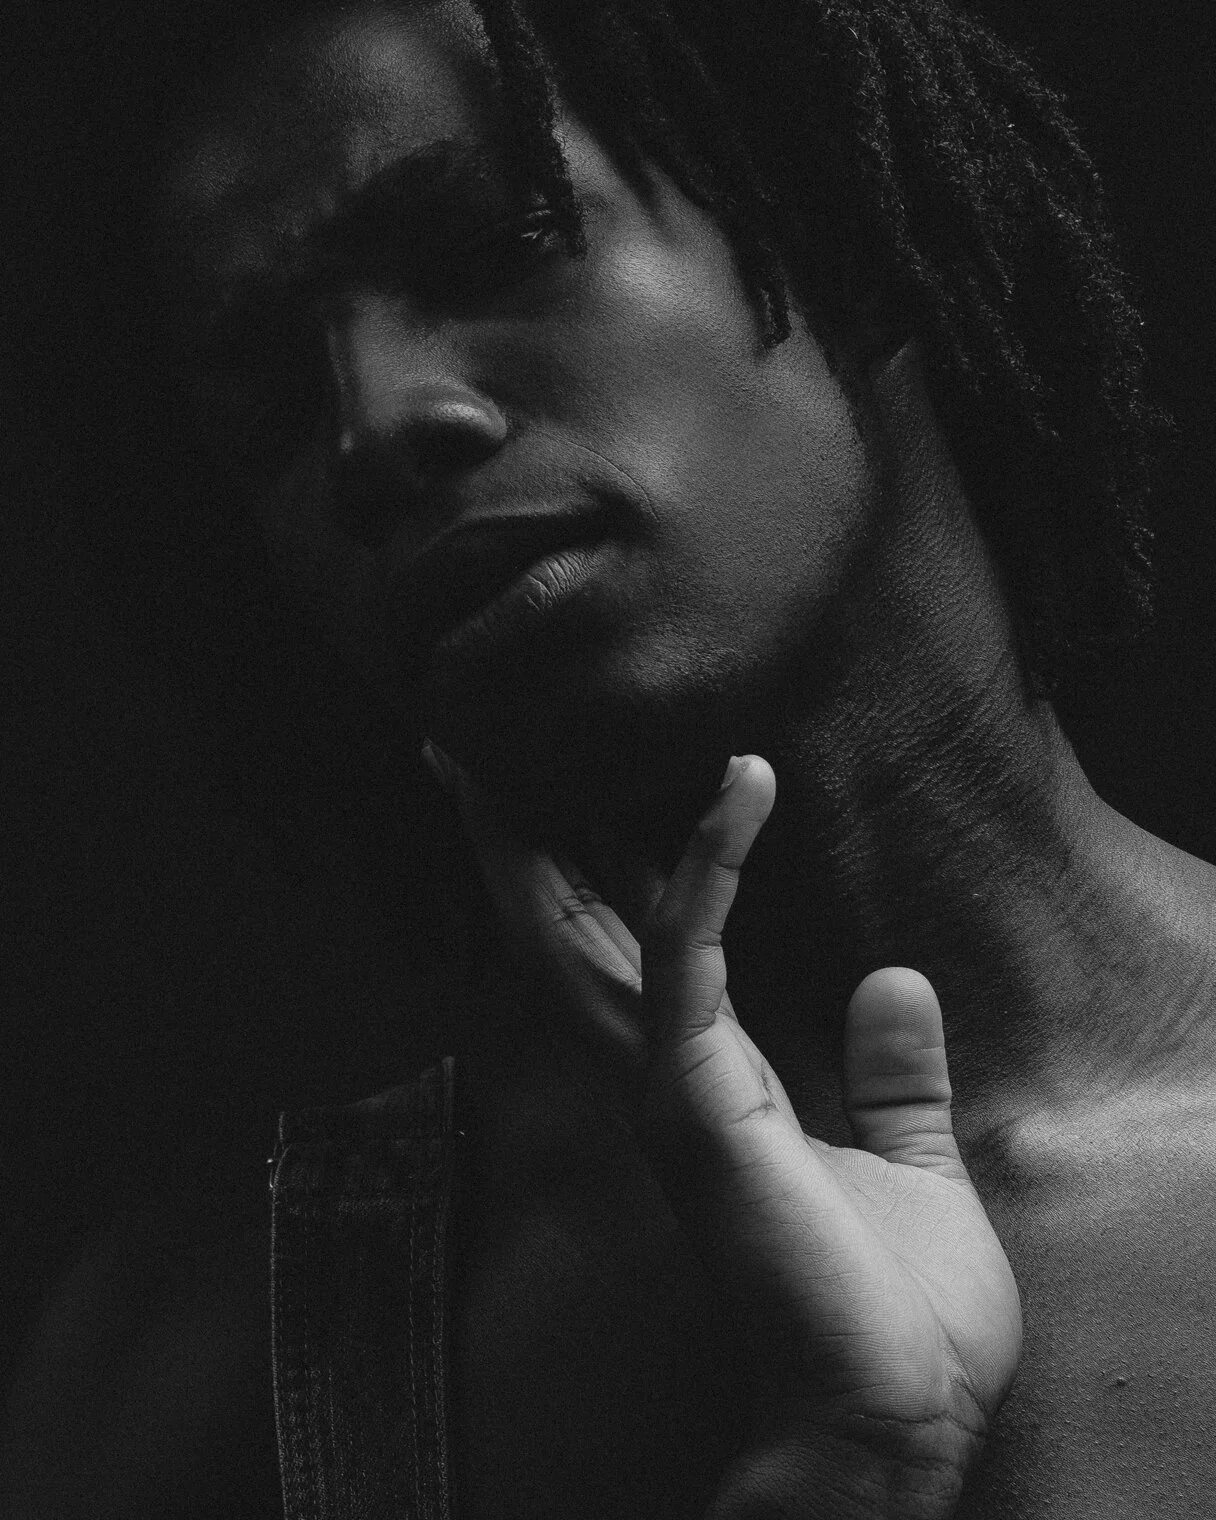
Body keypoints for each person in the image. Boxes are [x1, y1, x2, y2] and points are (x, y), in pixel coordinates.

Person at [4, 1, 1214, 1516]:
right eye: (268, 398)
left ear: (834, 230)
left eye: (493, 246)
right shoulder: (209, 1380)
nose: (373, 424)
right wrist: (845, 1462)